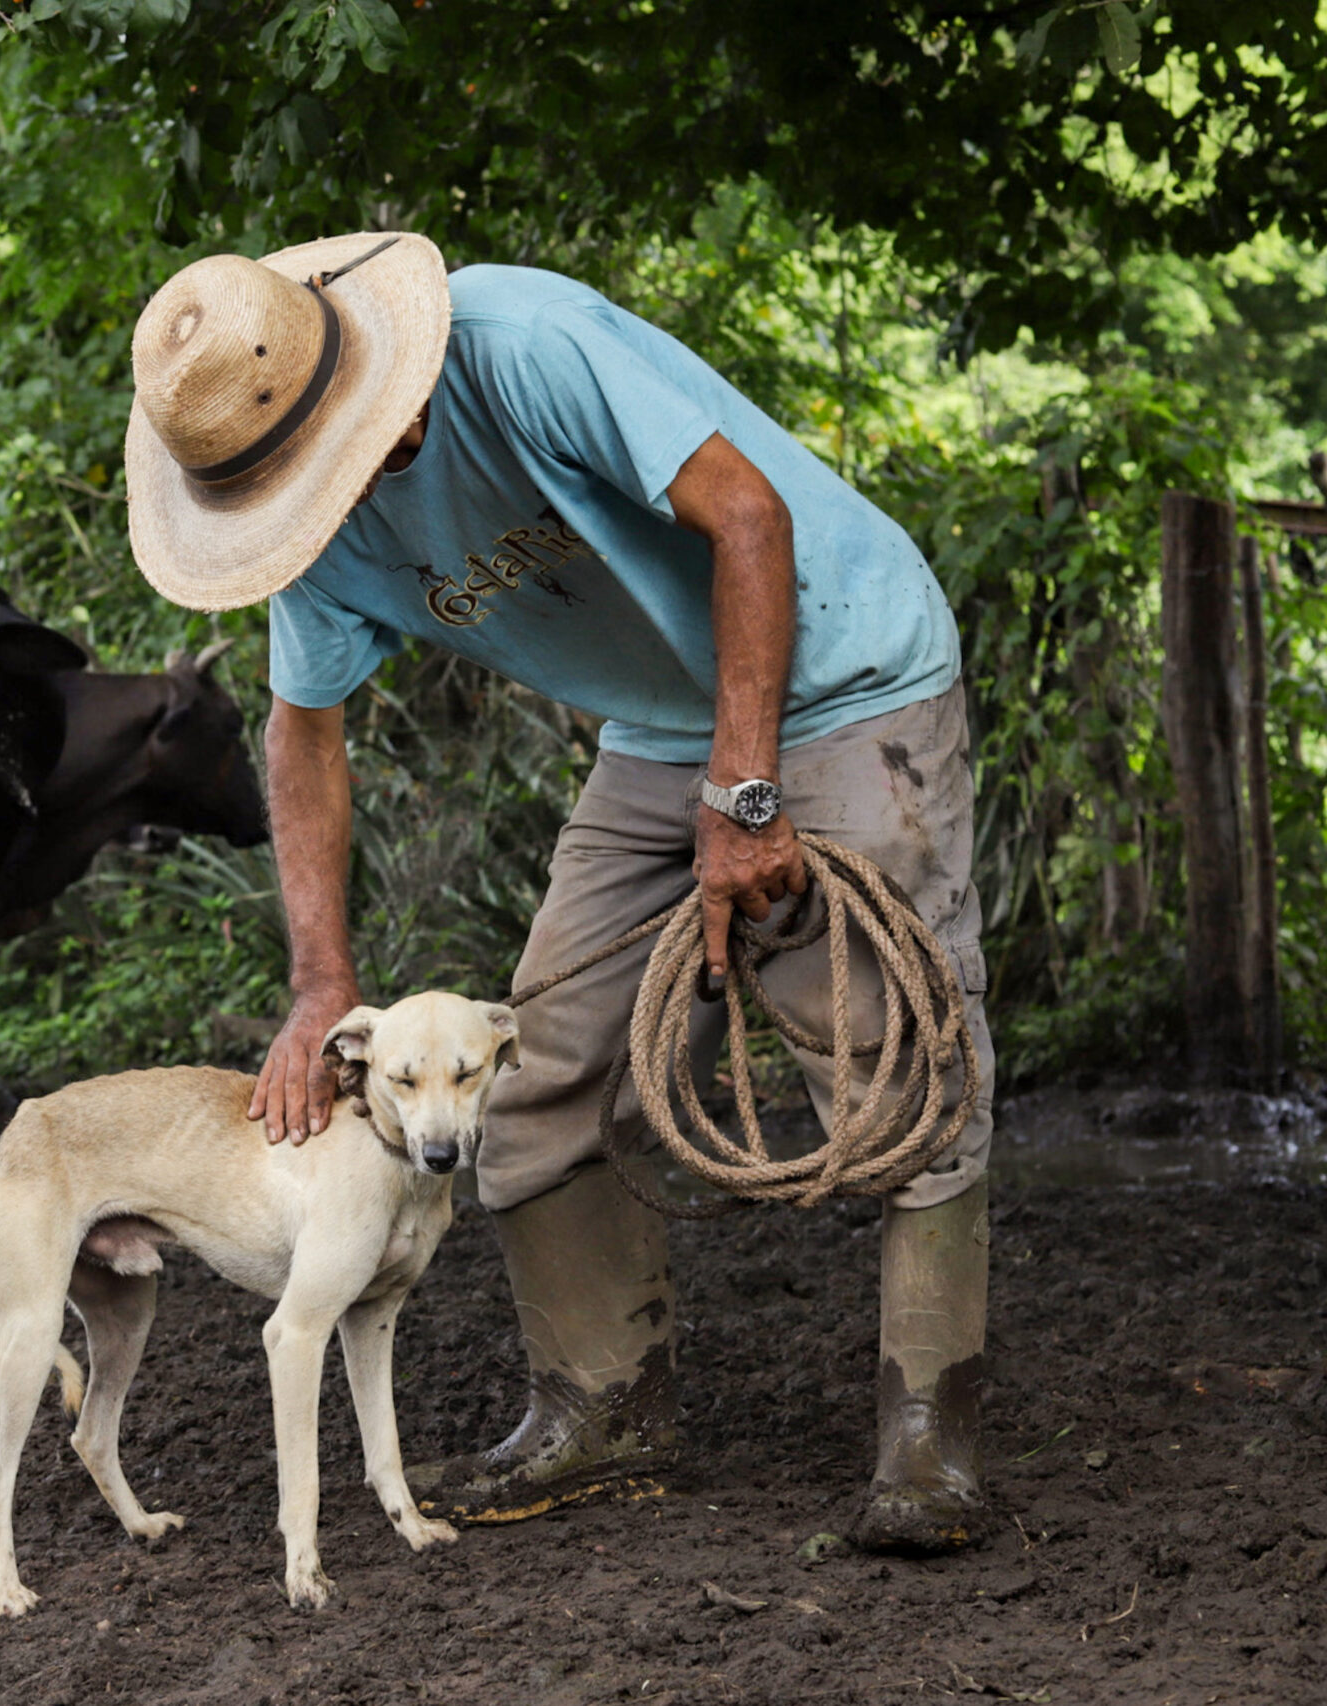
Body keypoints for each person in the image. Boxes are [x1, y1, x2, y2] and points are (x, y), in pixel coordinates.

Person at [122, 233, 994, 1552]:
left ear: (376, 392)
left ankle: (931, 1434)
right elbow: (303, 733)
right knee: (526, 1069)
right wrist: (321, 985)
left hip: (846, 674)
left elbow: (750, 516)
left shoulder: (525, 346)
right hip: (652, 731)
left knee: (891, 1064)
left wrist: (745, 793)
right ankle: (603, 1404)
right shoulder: (297, 520)